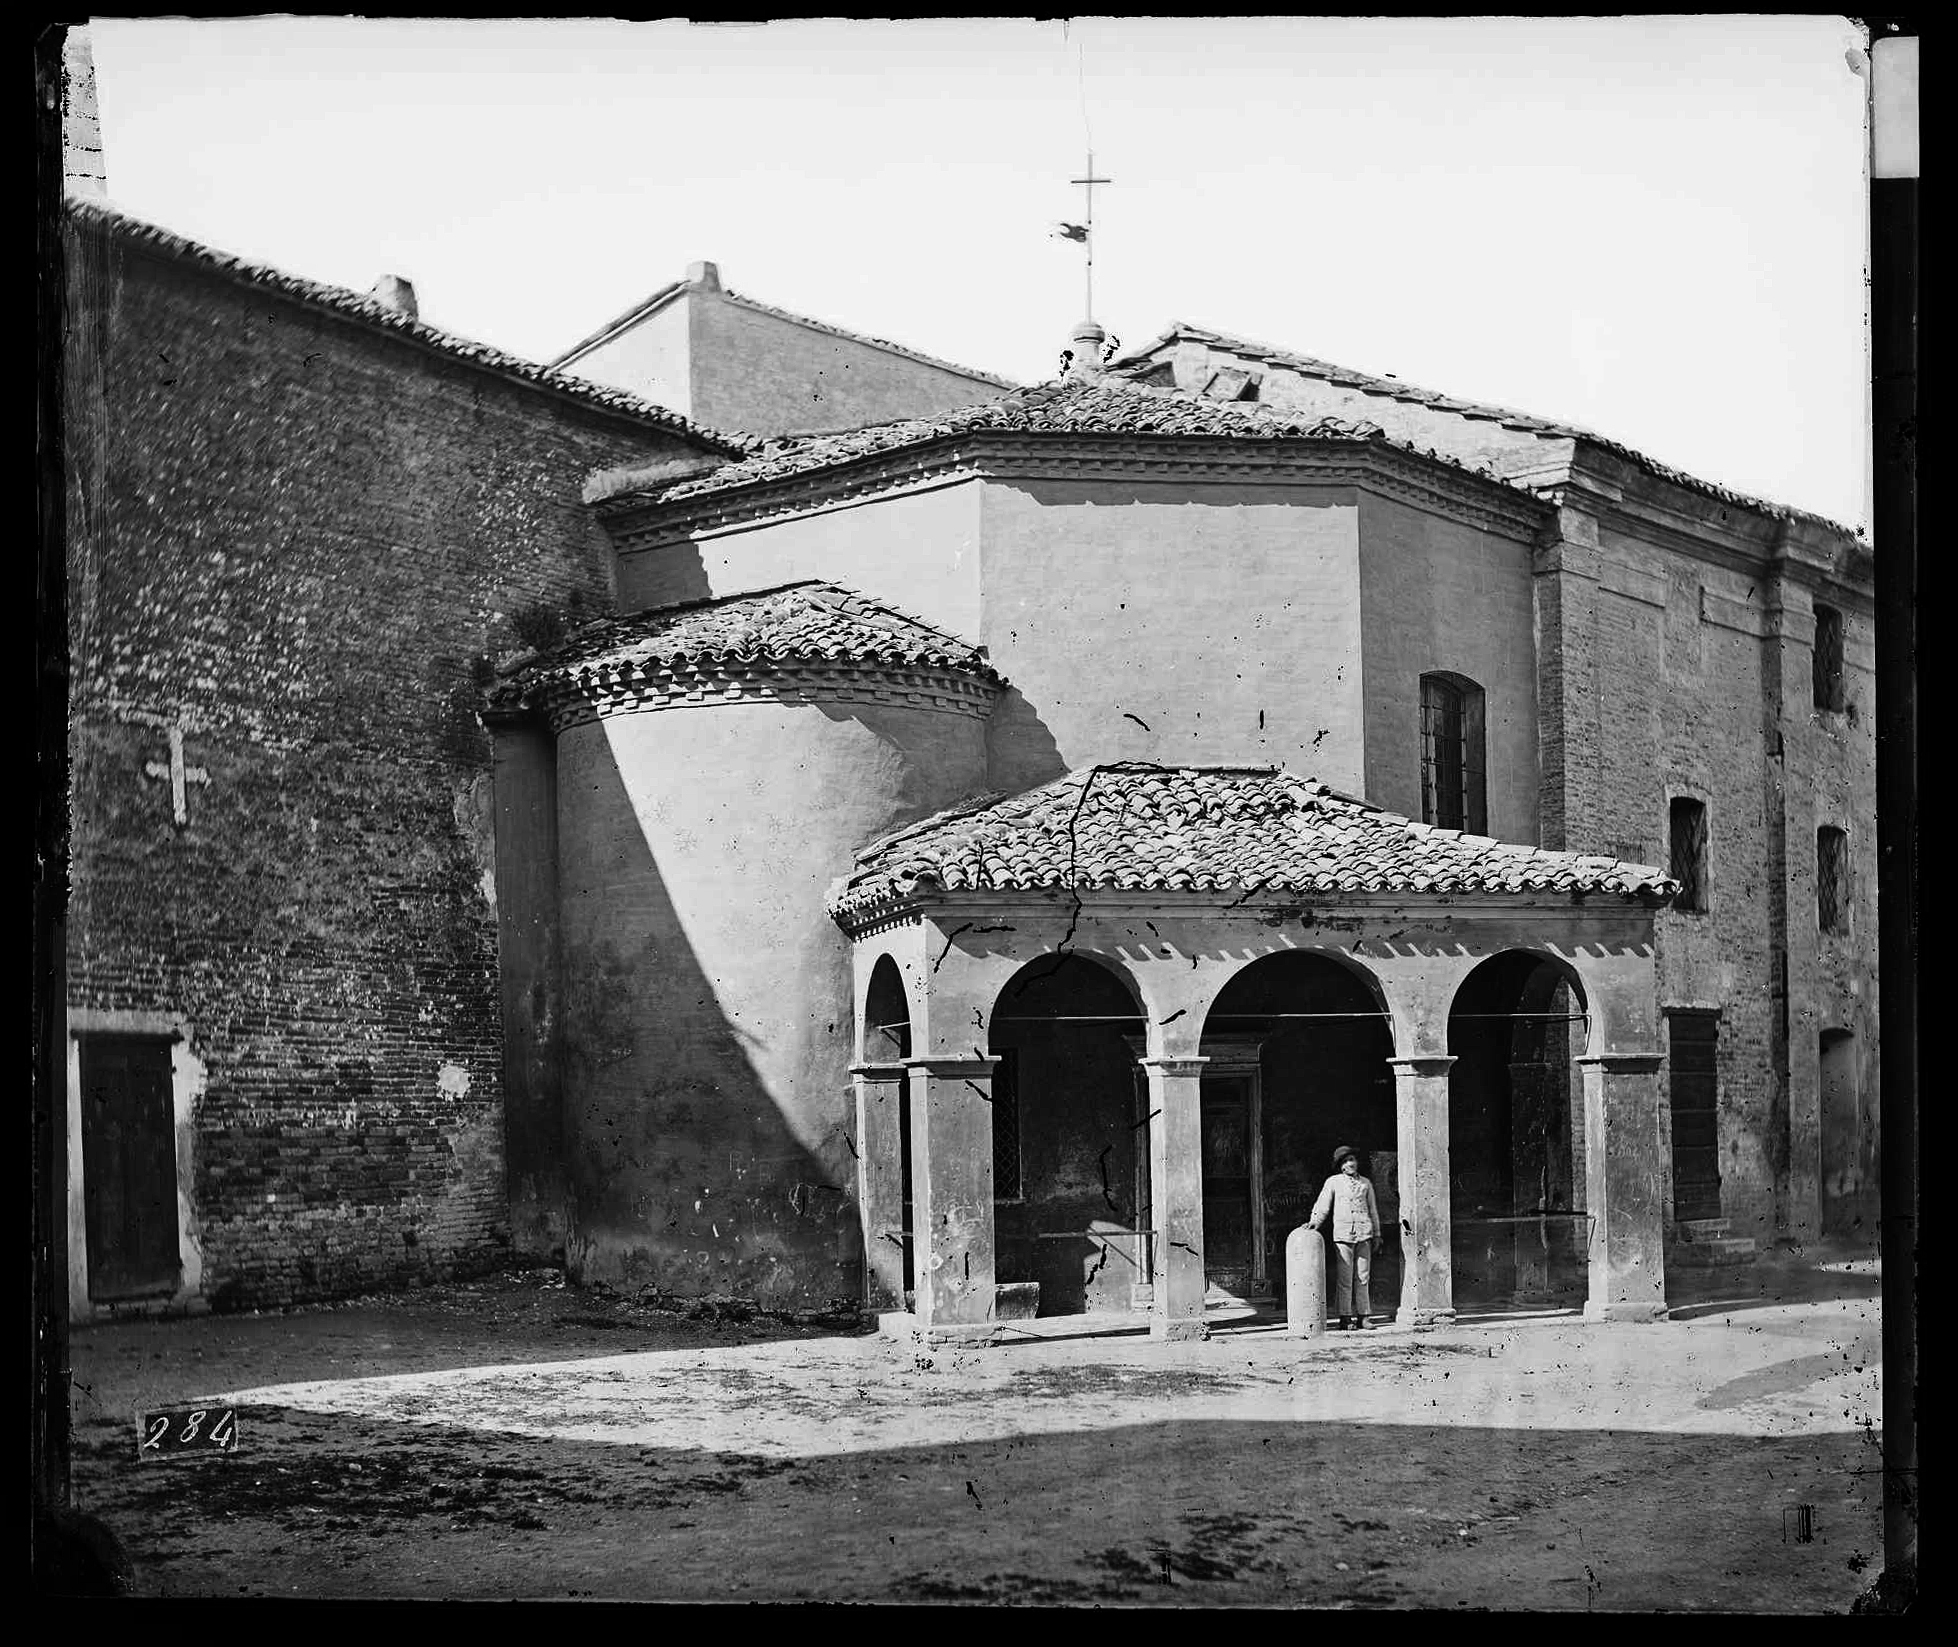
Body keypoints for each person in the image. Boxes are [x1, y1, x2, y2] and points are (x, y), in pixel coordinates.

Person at [1308, 1144, 1380, 1330]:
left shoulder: (1366, 1183)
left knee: (1363, 1277)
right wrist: (1314, 1222)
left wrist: (1377, 1233)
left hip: (1365, 1233)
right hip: (1343, 1235)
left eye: (1353, 1160)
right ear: (1341, 1165)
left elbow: (1373, 1210)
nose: (1351, 1163)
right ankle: (1345, 1318)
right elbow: (1323, 1204)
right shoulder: (1333, 1182)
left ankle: (1364, 1316)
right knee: (1345, 1279)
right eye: (1347, 1161)